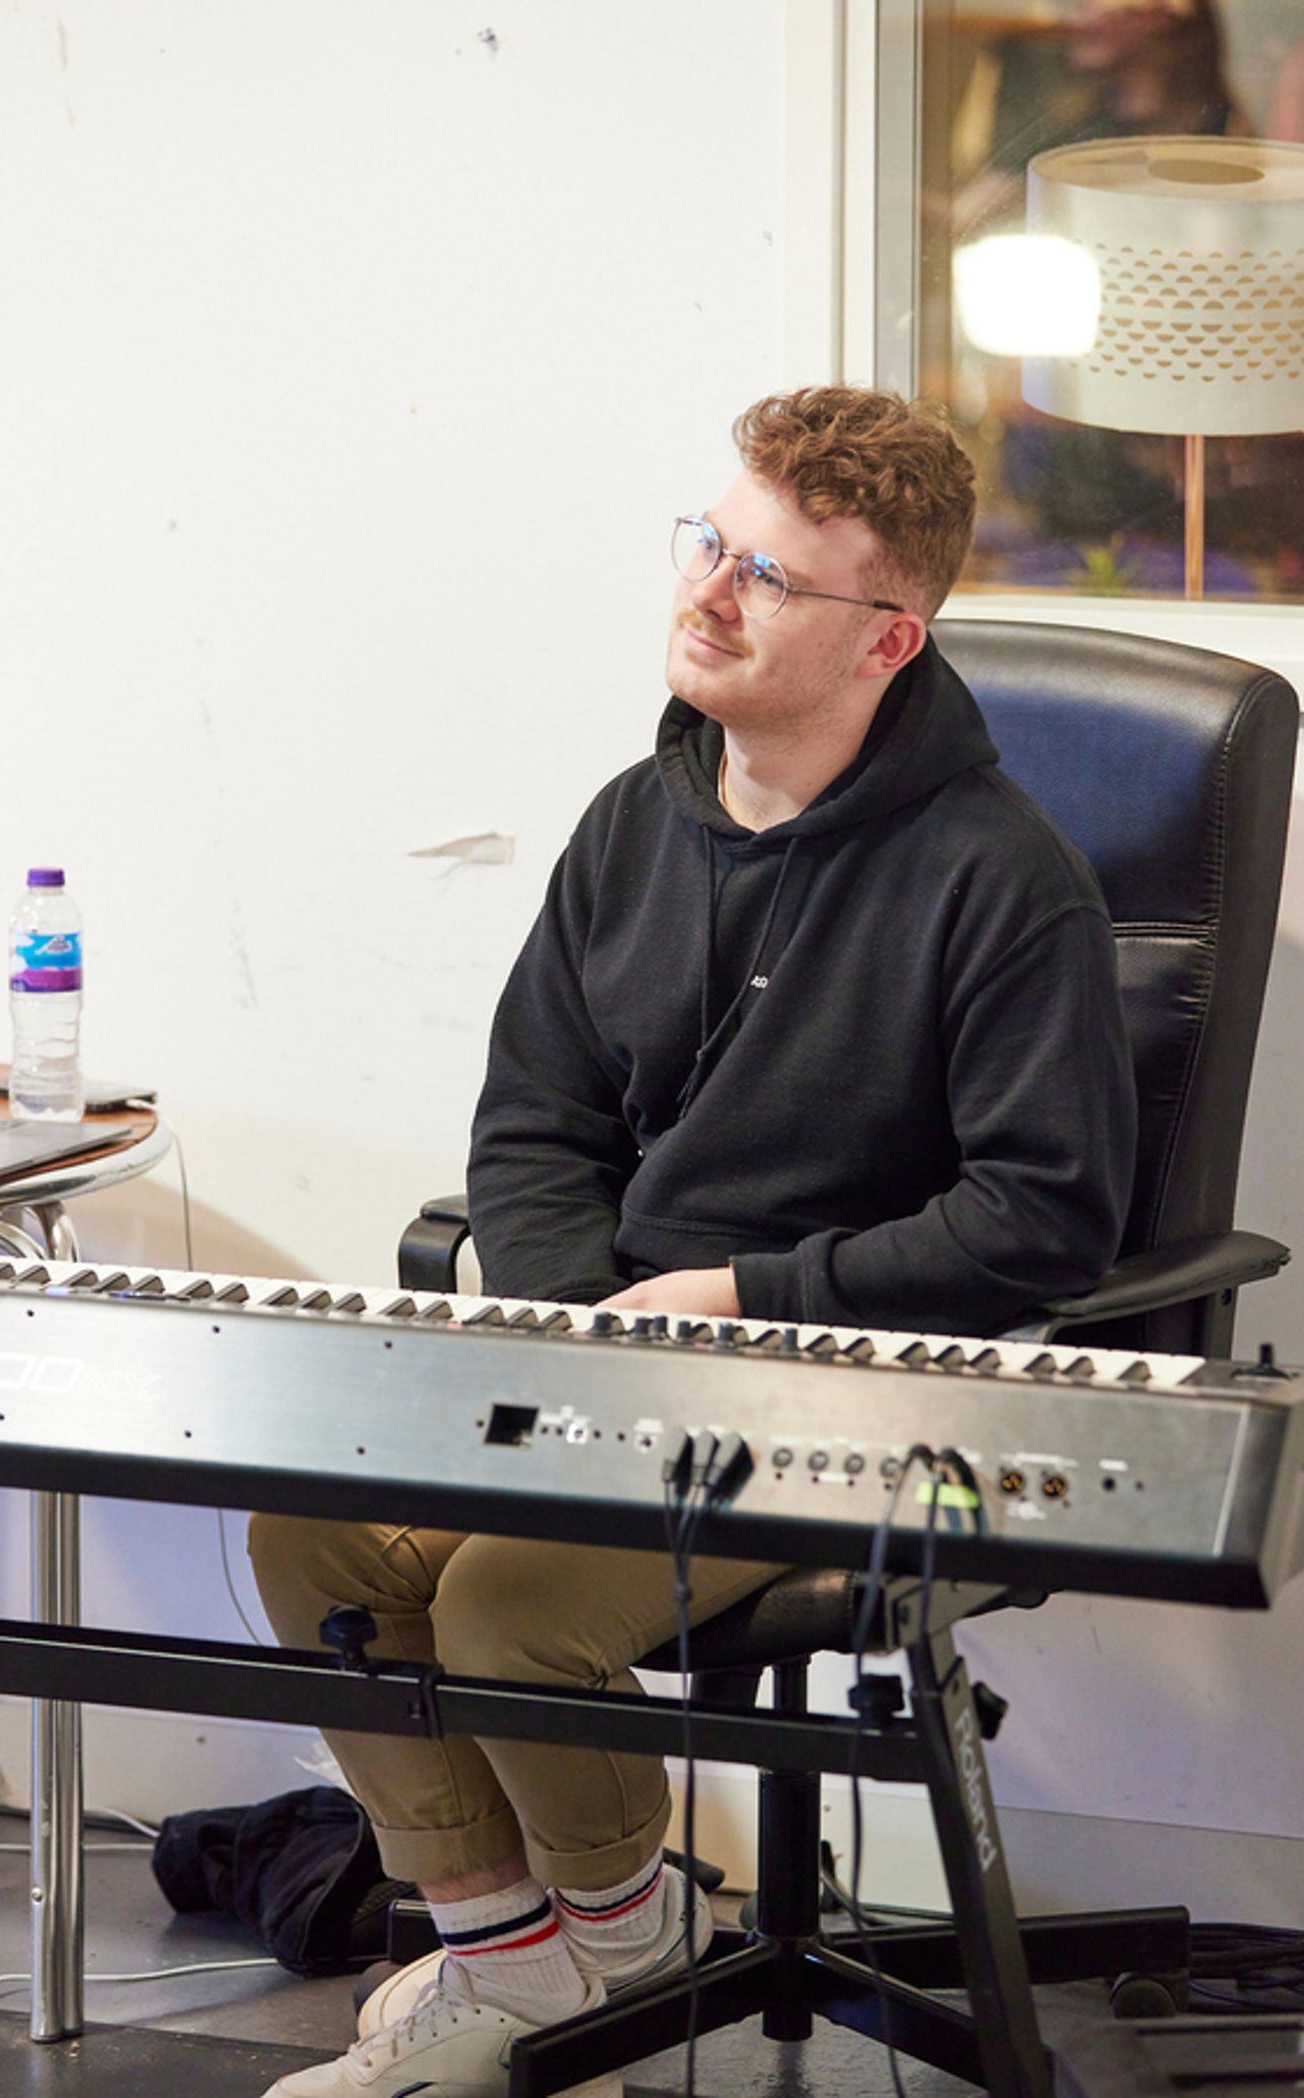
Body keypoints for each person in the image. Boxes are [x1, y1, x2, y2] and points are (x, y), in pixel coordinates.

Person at [251, 383, 1136, 2098]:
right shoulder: (627, 824)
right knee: (313, 1538)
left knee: (509, 1600)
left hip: (849, 1394)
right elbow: (531, 1126)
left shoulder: (1003, 883)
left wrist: (744, 1295)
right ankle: (514, 1957)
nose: (709, 594)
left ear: (890, 637)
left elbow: (1044, 1216)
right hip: (614, 1362)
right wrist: (592, 1320)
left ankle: (624, 1942)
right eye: (709, 545)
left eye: (769, 579)